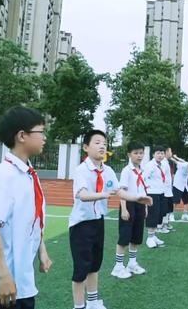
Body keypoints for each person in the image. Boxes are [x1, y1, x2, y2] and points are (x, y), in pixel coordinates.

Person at [0, 106, 52, 309]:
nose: (44, 138)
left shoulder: (27, 173)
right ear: (22, 136)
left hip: (21, 283)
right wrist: (3, 276)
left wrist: (41, 250)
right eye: (40, 132)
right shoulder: (5, 175)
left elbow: (32, 218)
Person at [69, 130, 152, 309]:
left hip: (98, 221)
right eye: (97, 142)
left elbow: (119, 191)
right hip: (81, 225)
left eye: (104, 144)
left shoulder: (107, 170)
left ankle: (92, 302)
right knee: (81, 270)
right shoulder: (81, 170)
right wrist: (104, 194)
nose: (102, 146)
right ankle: (79, 306)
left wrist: (137, 198)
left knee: (95, 265)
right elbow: (82, 195)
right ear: (86, 147)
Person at [112, 141, 150, 279]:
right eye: (136, 153)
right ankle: (118, 266)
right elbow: (121, 190)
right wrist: (123, 209)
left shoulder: (142, 170)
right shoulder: (126, 171)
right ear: (129, 154)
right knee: (124, 237)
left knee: (136, 237)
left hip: (139, 204)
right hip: (128, 204)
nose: (139, 156)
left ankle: (132, 263)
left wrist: (145, 206)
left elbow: (143, 189)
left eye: (141, 153)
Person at [170, 154, 188, 221]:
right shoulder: (183, 166)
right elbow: (177, 162)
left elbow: (182, 160)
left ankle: (185, 215)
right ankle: (171, 215)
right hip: (178, 185)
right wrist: (171, 158)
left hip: (186, 186)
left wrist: (176, 157)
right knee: (175, 201)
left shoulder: (187, 163)